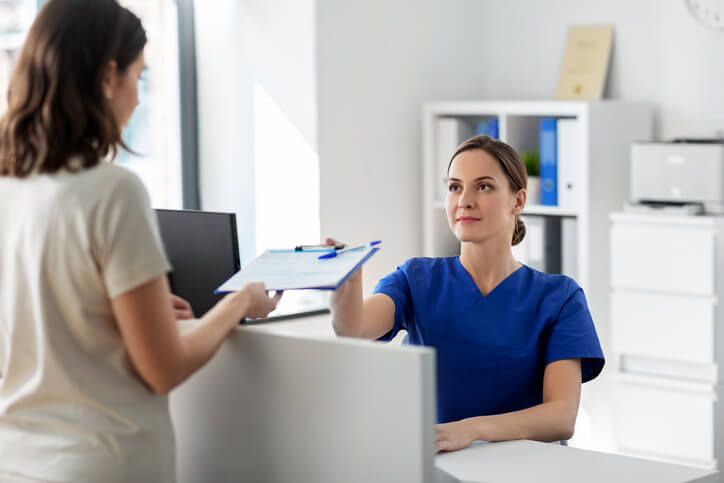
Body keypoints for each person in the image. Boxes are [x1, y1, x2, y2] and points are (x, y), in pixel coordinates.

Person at [0, 1, 280, 481]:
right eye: (139, 77)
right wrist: (239, 302)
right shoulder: (113, 190)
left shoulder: (10, 188)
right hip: (102, 464)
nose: (136, 98)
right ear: (108, 77)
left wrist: (122, 316)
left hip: (17, 461)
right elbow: (163, 369)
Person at [329, 134, 604, 453]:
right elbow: (353, 329)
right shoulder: (416, 278)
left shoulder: (560, 297)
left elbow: (560, 417)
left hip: (526, 467)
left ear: (517, 201)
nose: (464, 200)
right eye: (454, 187)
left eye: (483, 186)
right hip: (436, 463)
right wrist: (344, 288)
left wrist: (470, 430)